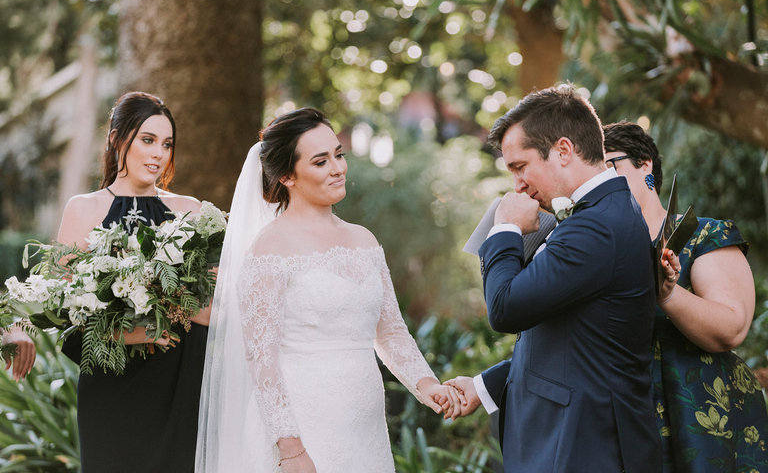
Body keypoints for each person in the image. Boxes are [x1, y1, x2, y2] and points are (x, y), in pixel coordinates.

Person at [195, 107, 461, 473]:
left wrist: (427, 385)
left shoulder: (364, 240)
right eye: (321, 161)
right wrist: (290, 449)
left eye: (339, 155)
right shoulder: (269, 248)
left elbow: (390, 332)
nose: (338, 168)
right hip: (303, 430)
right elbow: (261, 358)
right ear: (287, 175)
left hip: (365, 431)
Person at [445, 85, 661, 472]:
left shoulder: (596, 226)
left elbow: (505, 309)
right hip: (568, 440)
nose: (517, 184)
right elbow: (575, 340)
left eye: (520, 166)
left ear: (563, 150)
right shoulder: (596, 215)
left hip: (584, 448)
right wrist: (483, 386)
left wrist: (506, 227)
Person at [604, 120, 768, 472]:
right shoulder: (596, 255)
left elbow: (731, 329)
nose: (601, 182)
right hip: (625, 424)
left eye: (609, 166)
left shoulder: (705, 235)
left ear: (644, 165)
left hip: (706, 419)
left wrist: (667, 294)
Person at [57, 92, 208, 473]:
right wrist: (130, 333)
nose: (159, 154)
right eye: (148, 140)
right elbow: (64, 310)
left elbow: (211, 308)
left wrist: (165, 300)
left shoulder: (190, 210)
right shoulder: (83, 209)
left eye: (167, 144)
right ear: (116, 139)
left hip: (178, 383)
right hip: (110, 386)